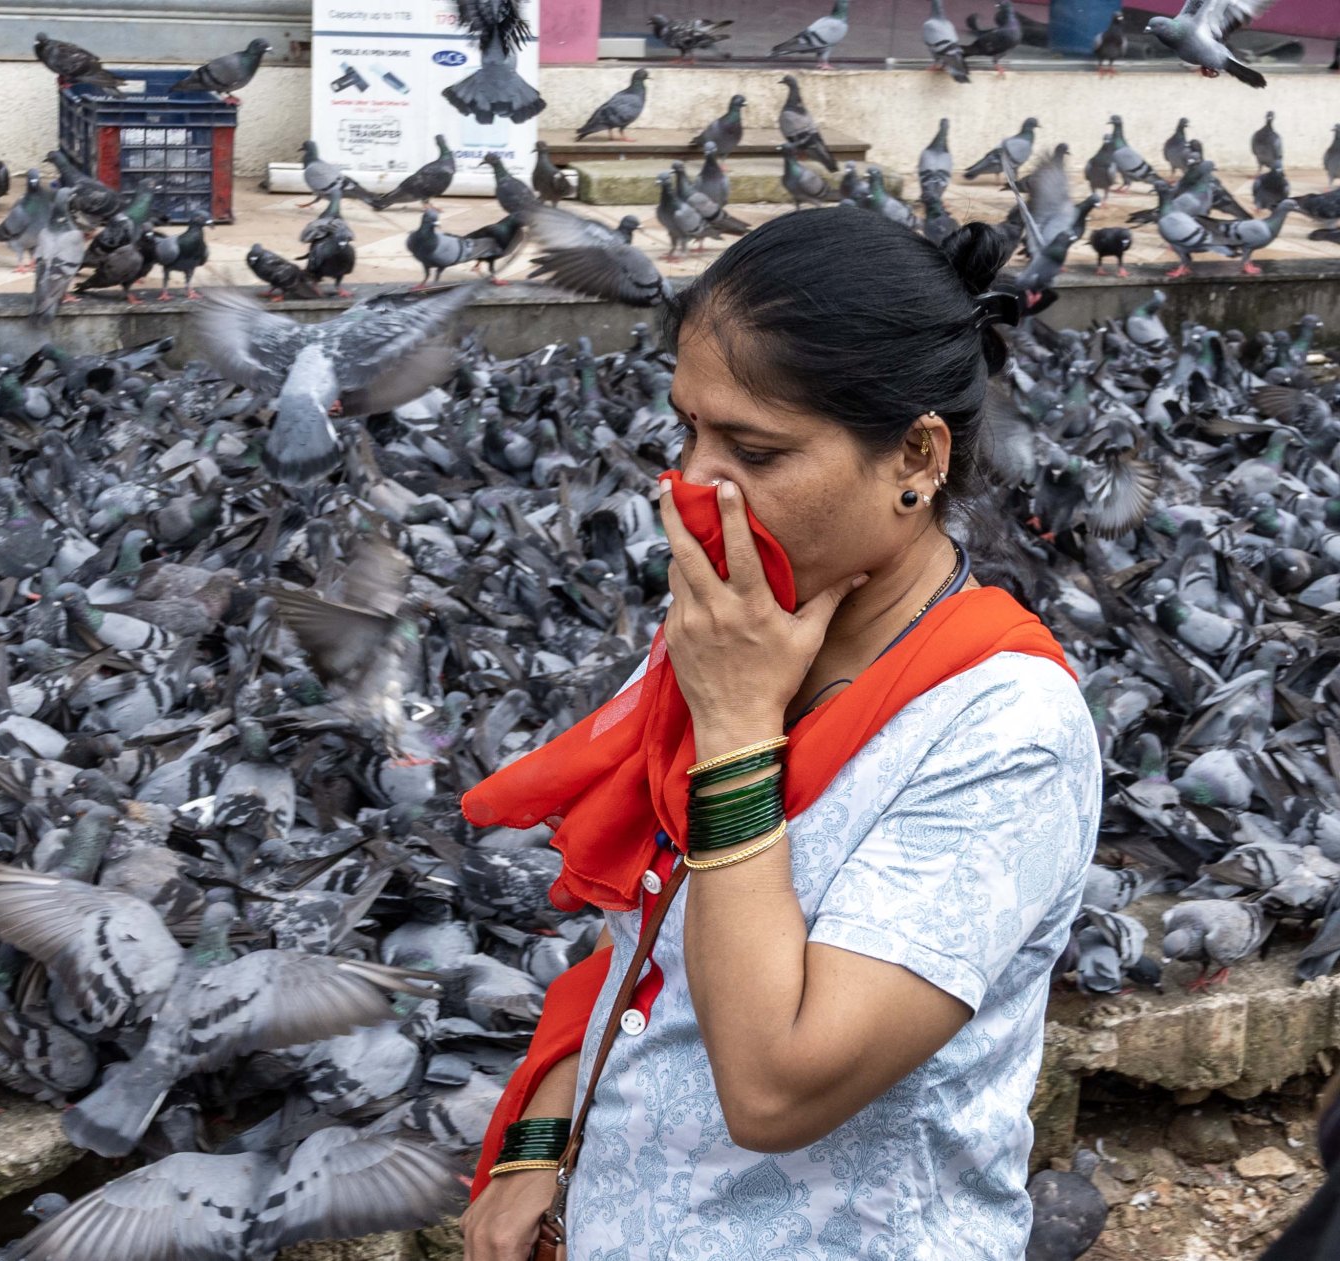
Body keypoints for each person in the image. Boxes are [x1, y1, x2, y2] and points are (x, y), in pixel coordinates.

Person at [458, 209, 1101, 1259]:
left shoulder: (1001, 735)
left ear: (915, 453)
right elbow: (645, 935)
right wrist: (541, 1139)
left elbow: (773, 1084)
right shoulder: (739, 628)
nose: (692, 483)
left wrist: (736, 724)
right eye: (686, 430)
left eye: (753, 449)